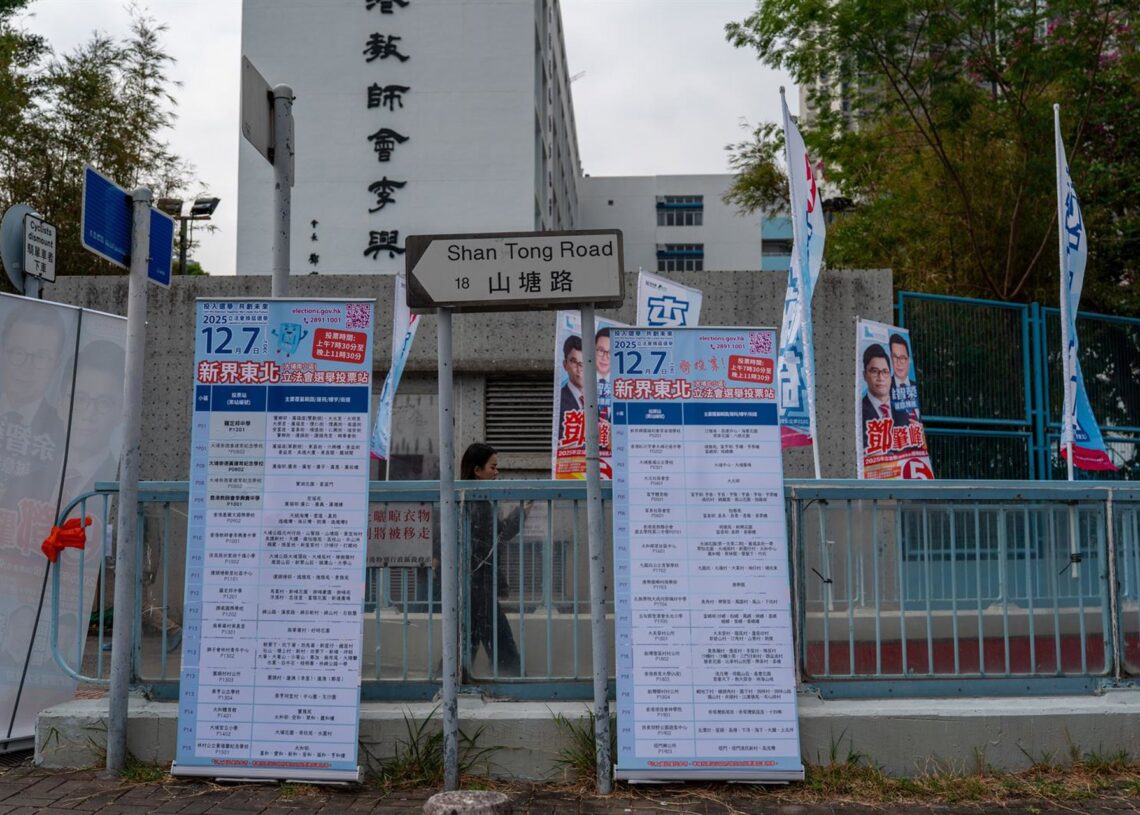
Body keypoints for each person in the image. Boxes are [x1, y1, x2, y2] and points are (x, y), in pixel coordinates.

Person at [460, 442, 523, 677]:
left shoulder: (468, 500)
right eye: (492, 467)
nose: (496, 472)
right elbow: (500, 535)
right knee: (498, 637)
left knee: (468, 640)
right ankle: (512, 680)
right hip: (480, 585)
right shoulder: (478, 503)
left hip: (474, 585)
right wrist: (521, 514)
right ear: (477, 470)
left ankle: (450, 679)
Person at [0, 304, 69, 511]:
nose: (27, 367)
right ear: (2, 352)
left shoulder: (64, 434)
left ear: (55, 364)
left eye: (40, 357)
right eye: (18, 352)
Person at [860, 344, 908, 451]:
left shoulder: (903, 410)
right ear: (864, 375)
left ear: (891, 377)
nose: (880, 378)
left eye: (885, 372)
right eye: (874, 371)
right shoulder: (859, 411)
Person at [888, 333, 921, 422]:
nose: (899, 362)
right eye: (895, 357)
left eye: (902, 357)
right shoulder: (885, 388)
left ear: (909, 360)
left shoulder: (915, 387)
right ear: (891, 358)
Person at [557, 334, 584, 437]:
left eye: (584, 362)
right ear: (565, 365)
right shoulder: (559, 400)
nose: (580, 368)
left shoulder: (598, 400)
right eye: (574, 362)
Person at [594, 327, 612, 423]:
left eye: (610, 352)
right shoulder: (580, 382)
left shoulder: (625, 387)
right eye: (601, 350)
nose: (605, 357)